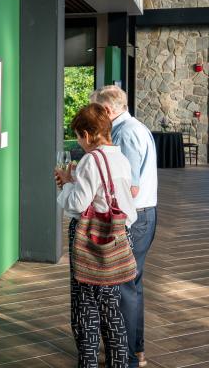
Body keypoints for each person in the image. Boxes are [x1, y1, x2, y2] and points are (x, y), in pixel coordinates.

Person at [56, 103, 137, 368]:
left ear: (88, 135)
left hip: (91, 241)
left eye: (79, 136)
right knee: (111, 307)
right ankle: (120, 362)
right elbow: (125, 203)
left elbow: (78, 205)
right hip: (118, 238)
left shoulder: (92, 159)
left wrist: (66, 184)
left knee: (86, 309)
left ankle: (88, 363)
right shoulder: (120, 157)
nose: (80, 142)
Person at [91, 86, 157, 368]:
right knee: (133, 286)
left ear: (107, 110)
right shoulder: (133, 127)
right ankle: (134, 351)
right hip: (143, 215)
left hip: (134, 218)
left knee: (124, 288)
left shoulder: (126, 133)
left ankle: (127, 358)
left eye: (95, 111)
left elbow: (126, 187)